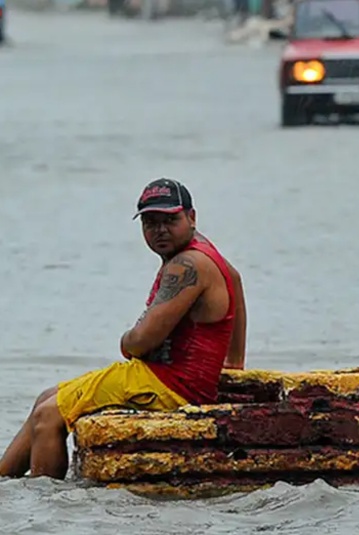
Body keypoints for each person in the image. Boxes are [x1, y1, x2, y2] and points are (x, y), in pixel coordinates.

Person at [0, 178, 247, 480]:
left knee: (47, 416)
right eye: (150, 222)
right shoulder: (204, 249)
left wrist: (126, 341)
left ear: (191, 217)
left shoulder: (187, 265)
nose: (160, 231)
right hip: (166, 378)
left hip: (171, 385)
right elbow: (234, 278)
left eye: (170, 220)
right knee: (47, 397)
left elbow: (142, 341)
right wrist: (235, 360)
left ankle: (46, 503)